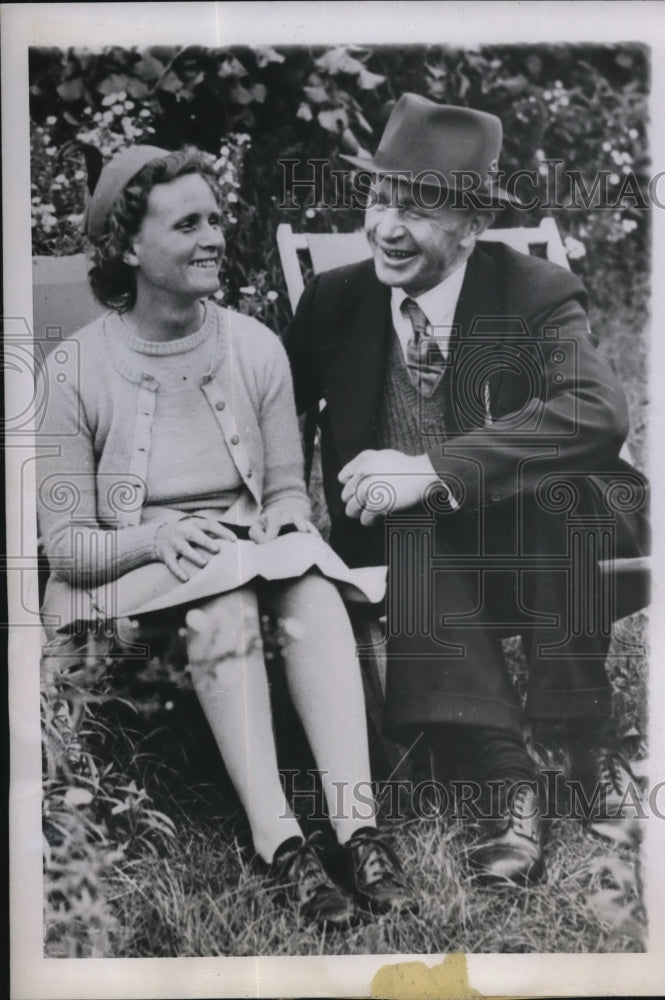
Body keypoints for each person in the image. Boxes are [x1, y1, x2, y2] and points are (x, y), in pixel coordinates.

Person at [36, 144, 416, 930]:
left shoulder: (254, 347)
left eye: (216, 218)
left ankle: (357, 830)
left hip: (240, 559)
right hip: (118, 582)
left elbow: (283, 490)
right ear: (130, 247)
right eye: (187, 224)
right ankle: (278, 842)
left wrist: (285, 516)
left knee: (303, 581)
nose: (214, 237)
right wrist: (154, 538)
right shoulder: (74, 371)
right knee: (226, 598)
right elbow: (66, 545)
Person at [284, 93, 650, 884]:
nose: (385, 227)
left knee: (560, 500)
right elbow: (276, 418)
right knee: (413, 535)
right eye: (379, 200)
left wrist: (429, 470)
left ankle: (577, 742)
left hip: (548, 532)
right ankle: (506, 780)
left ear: (471, 226)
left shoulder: (532, 291)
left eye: (416, 210)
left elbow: (597, 409)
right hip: (418, 549)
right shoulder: (333, 303)